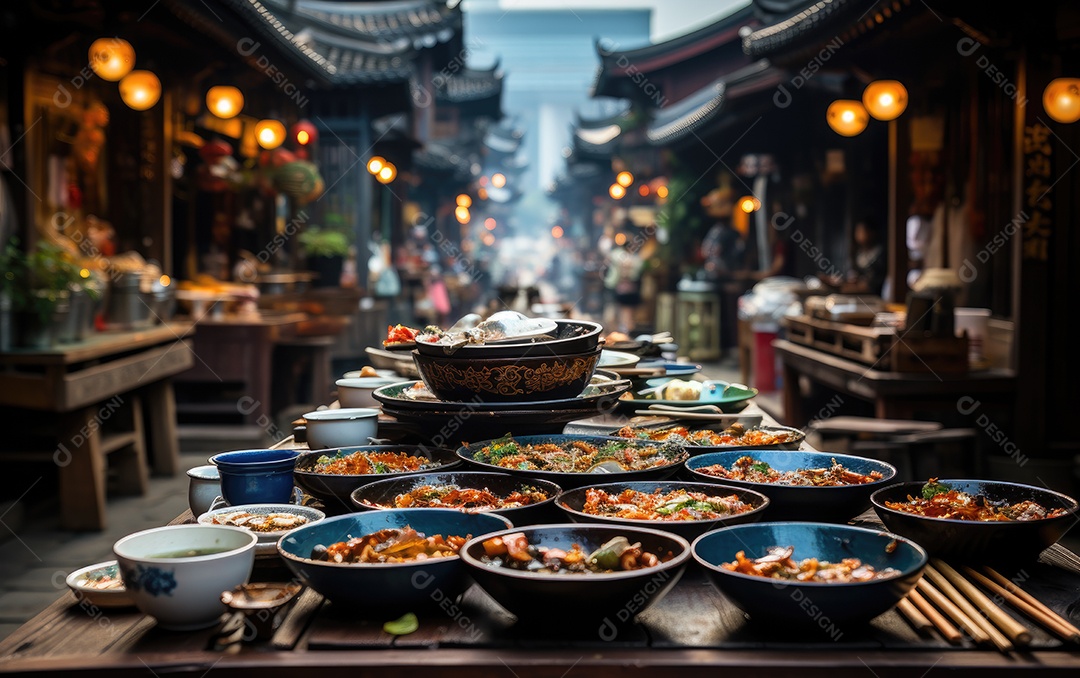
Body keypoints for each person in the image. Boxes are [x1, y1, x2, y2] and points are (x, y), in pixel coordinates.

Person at [822, 217, 886, 296]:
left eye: (862, 231)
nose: (859, 235)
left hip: (873, 296)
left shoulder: (880, 255)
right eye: (857, 231)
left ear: (872, 233)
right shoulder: (858, 253)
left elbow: (871, 285)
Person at [603, 231, 644, 334]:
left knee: (618, 313)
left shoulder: (616, 255)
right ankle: (625, 333)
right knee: (628, 314)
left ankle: (618, 334)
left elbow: (606, 253)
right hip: (631, 289)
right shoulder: (636, 259)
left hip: (619, 289)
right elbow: (637, 272)